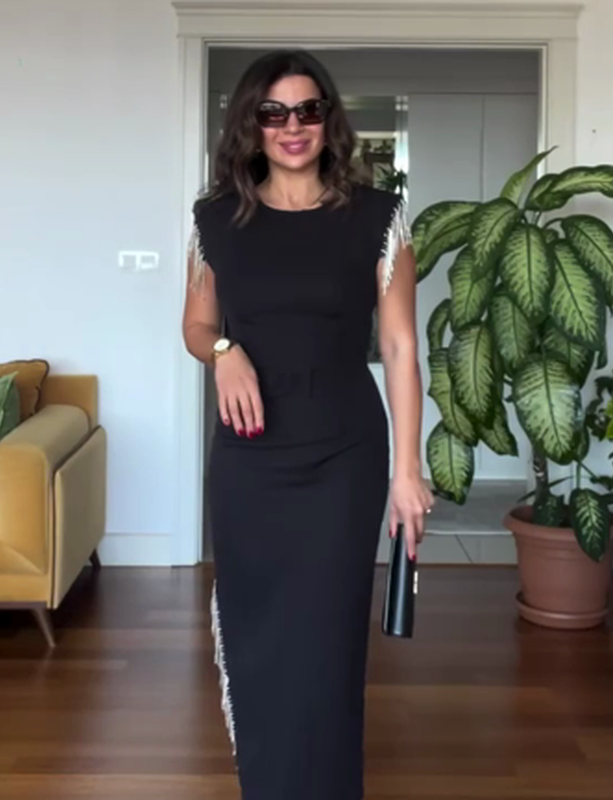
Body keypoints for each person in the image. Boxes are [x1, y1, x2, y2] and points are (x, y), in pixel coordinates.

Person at [182, 48, 434, 800]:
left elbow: (399, 347)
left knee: (327, 640)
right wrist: (223, 352)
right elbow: (196, 326)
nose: (292, 127)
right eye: (273, 112)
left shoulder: (379, 218)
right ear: (251, 124)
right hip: (249, 460)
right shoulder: (214, 220)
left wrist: (408, 471)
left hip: (343, 456)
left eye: (307, 110)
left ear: (329, 119)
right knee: (258, 634)